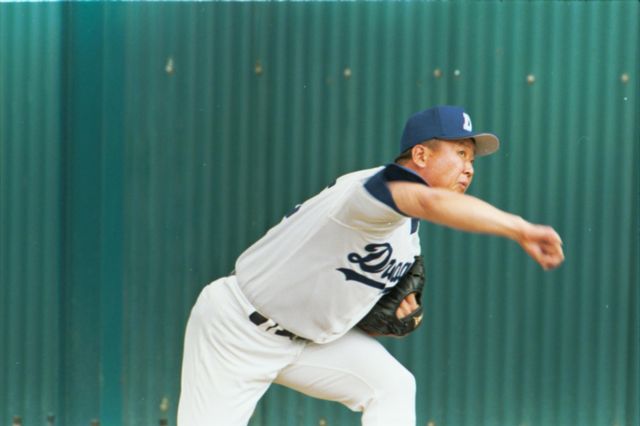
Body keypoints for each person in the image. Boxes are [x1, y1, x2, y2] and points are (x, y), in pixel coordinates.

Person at [177, 105, 564, 426]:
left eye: (472, 159)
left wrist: (398, 313)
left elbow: (367, 302)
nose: (469, 168)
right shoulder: (369, 193)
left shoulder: (407, 235)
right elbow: (429, 202)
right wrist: (520, 228)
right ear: (421, 155)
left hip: (307, 342)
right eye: (461, 153)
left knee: (392, 386)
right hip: (235, 330)